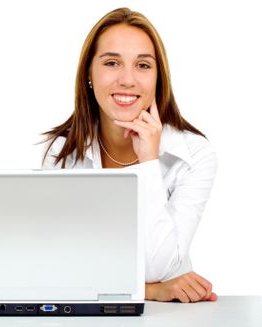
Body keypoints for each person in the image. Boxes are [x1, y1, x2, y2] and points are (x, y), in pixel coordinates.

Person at [41, 7, 218, 303]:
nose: (127, 80)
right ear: (89, 72)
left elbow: (157, 266)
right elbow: (58, 268)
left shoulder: (194, 155)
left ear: (158, 76)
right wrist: (152, 290)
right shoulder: (61, 153)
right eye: (112, 63)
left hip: (172, 318)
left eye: (143, 66)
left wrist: (149, 162)